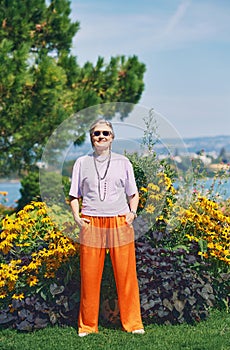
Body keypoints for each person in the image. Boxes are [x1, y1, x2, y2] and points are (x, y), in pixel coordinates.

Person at [69, 118, 144, 337]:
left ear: (112, 138)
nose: (101, 137)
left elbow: (133, 193)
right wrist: (76, 216)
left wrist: (132, 213)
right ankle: (87, 325)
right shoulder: (81, 162)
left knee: (126, 274)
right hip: (91, 222)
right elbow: (74, 195)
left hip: (120, 221)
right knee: (90, 275)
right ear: (91, 137)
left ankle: (133, 323)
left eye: (106, 133)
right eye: (97, 133)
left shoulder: (123, 162)